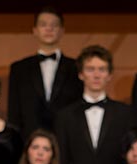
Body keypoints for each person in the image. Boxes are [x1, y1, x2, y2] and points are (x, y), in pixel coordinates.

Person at [5, 6, 82, 135]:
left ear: (62, 31)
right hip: (29, 142)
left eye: (54, 25)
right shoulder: (19, 69)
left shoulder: (77, 67)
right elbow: (14, 114)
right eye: (43, 25)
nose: (49, 29)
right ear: (34, 30)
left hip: (66, 140)